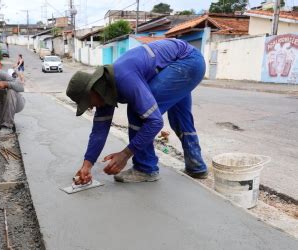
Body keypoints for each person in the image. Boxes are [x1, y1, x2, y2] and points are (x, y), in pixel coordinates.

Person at [66, 38, 208, 186]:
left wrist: (125, 155)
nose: (90, 107)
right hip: (188, 62)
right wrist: (87, 165)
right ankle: (196, 167)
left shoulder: (123, 78)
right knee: (179, 118)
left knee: (139, 113)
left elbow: (155, 122)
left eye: (87, 103)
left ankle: (145, 168)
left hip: (187, 62)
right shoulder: (104, 87)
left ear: (92, 92)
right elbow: (99, 130)